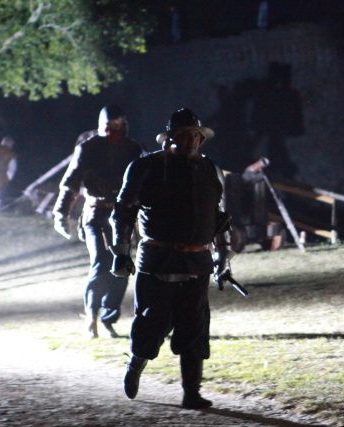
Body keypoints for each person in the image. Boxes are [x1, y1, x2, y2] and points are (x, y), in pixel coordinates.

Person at [110, 108, 233, 409]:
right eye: (185, 135)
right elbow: (124, 211)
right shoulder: (146, 167)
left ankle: (191, 392)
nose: (192, 140)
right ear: (170, 138)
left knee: (194, 326)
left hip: (197, 261)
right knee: (153, 321)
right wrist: (121, 251)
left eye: (196, 135)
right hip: (157, 258)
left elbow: (218, 216)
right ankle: (136, 362)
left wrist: (224, 255)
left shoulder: (209, 170)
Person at [52, 105, 143, 339]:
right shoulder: (88, 148)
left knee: (122, 267)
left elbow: (146, 182)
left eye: (117, 126)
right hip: (95, 214)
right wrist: (61, 213)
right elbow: (71, 183)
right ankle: (91, 316)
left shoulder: (133, 150)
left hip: (123, 216)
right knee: (102, 263)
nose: (113, 131)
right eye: (109, 126)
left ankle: (107, 317)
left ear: (123, 125)